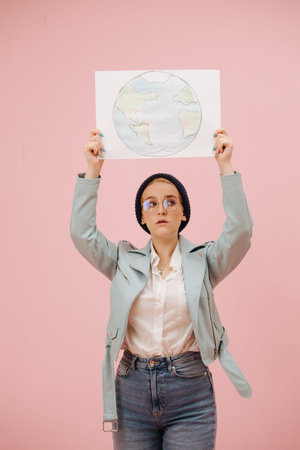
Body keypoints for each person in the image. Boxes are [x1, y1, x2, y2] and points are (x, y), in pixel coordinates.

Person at [70, 128, 253, 449]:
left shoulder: (205, 261)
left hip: (190, 392)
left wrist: (225, 166)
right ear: (142, 216)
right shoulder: (121, 261)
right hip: (131, 391)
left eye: (171, 201)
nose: (161, 208)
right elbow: (82, 234)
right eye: (150, 203)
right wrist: (93, 170)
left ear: (184, 213)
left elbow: (240, 232)